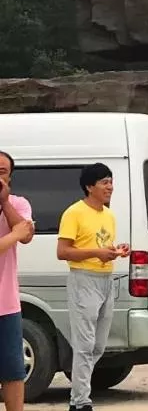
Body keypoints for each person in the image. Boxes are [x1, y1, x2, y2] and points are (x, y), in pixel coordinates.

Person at [56, 163, 130, 411]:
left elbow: (101, 247)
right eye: (104, 182)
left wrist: (116, 251)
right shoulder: (74, 213)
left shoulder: (109, 215)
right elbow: (63, 251)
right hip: (83, 280)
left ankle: (78, 394)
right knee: (85, 345)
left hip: (106, 280)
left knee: (98, 346)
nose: (110, 187)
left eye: (111, 181)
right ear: (89, 187)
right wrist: (96, 253)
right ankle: (80, 401)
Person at [0, 151, 34, 411]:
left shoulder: (18, 203)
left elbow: (26, 235)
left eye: (2, 171)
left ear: (10, 176)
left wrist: (4, 202)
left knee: (13, 370)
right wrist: (15, 235)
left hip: (7, 303)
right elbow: (18, 234)